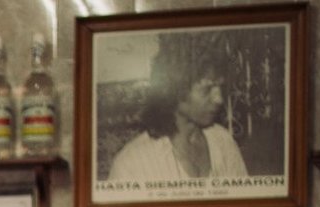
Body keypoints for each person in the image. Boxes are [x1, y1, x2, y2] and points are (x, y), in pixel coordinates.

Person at [107, 44, 249, 183]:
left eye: (220, 87)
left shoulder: (224, 142)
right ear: (174, 90)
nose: (219, 99)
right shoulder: (131, 164)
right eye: (207, 89)